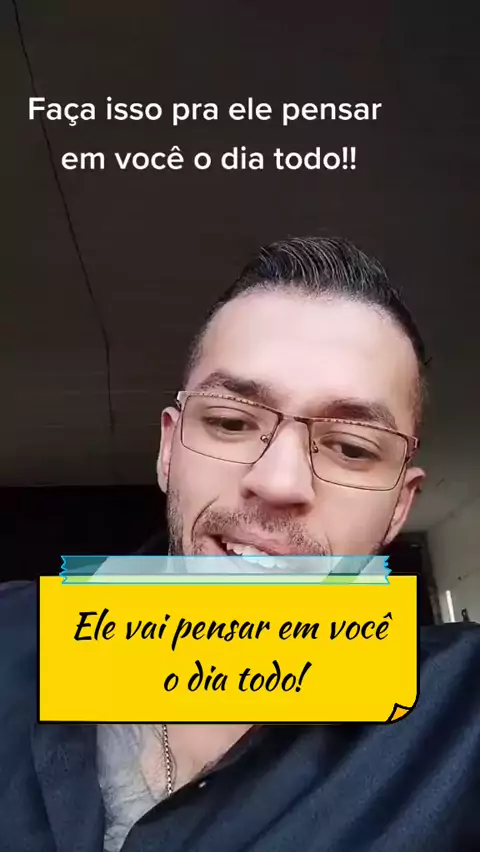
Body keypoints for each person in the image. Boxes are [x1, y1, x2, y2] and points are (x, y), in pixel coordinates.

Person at [1, 236, 479, 852]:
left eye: (351, 447)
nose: (279, 482)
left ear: (400, 507)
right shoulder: (12, 637)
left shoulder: (460, 716)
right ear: (168, 450)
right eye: (231, 422)